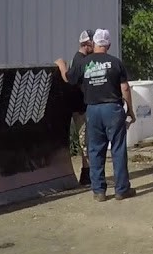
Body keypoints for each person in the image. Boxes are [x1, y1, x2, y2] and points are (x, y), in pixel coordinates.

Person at [58, 28, 136, 201]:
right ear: (108, 44)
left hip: (92, 110)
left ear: (94, 44)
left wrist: (61, 65)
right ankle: (121, 189)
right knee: (118, 149)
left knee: (95, 150)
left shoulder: (84, 63)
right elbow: (124, 88)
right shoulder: (116, 63)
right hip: (112, 109)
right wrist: (130, 110)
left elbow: (69, 79)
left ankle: (99, 191)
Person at [59, 29, 96, 185]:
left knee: (86, 139)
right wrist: (61, 65)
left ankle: (87, 173)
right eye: (93, 43)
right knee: (85, 139)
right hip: (81, 107)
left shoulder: (83, 59)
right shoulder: (81, 60)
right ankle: (88, 174)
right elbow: (70, 78)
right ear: (87, 44)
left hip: (83, 106)